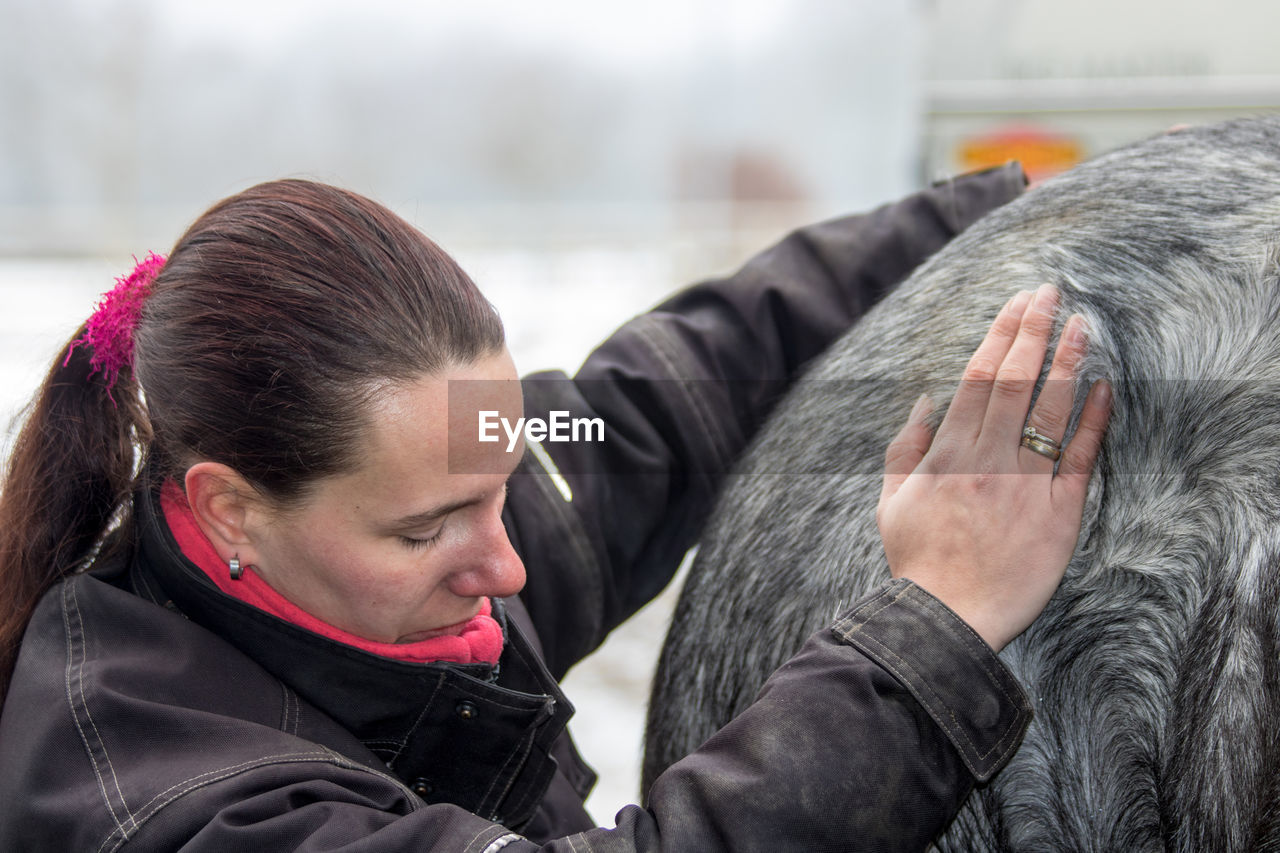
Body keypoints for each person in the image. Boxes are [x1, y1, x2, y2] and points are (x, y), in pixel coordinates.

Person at [0, 168, 1109, 851]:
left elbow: (662, 400)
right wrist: (940, 615)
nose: (505, 559)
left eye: (499, 483)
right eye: (424, 529)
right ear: (230, 510)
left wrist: (1011, 206)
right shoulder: (170, 799)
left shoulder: (436, 467)